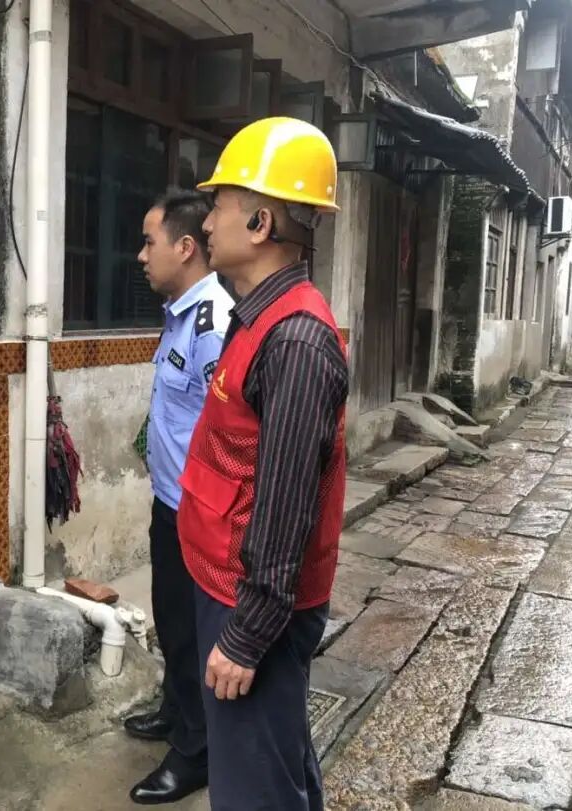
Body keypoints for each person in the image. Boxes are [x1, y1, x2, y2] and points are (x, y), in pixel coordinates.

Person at [177, 117, 349, 810]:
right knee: (276, 767)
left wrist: (246, 637)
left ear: (259, 222)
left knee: (255, 792)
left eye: (218, 204)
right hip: (224, 581)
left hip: (249, 603)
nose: (206, 220)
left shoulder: (296, 341)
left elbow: (284, 505)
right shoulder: (258, 317)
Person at [126, 190, 233, 805]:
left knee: (193, 633)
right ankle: (175, 710)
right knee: (171, 620)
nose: (142, 256)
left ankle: (196, 751)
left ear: (186, 247)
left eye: (150, 242)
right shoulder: (181, 314)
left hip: (198, 509)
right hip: (170, 501)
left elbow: (226, 429)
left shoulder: (213, 325)